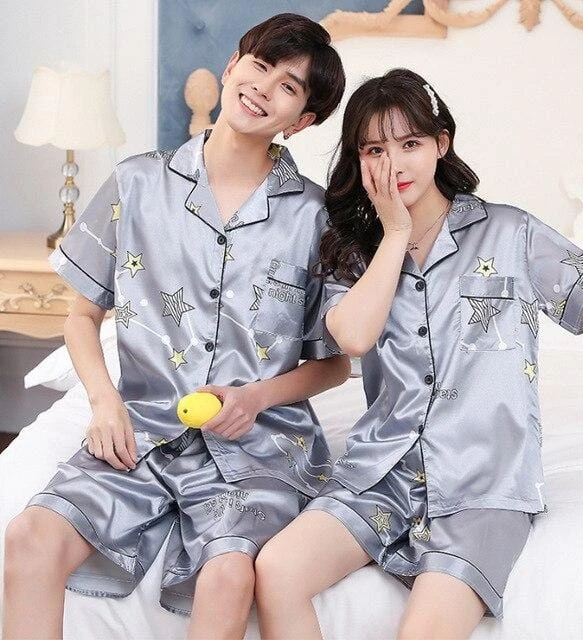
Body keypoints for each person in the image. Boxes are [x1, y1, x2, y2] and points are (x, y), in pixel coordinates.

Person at [255, 68, 583, 639]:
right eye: (375, 150)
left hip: (483, 487)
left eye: (410, 143)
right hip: (380, 474)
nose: (394, 164)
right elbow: (352, 339)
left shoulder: (510, 231)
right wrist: (393, 234)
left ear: (441, 143)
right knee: (276, 570)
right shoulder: (352, 250)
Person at [3, 13, 348, 640]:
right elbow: (81, 316)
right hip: (140, 429)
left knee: (228, 577)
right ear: (232, 65)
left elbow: (335, 364)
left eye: (288, 87)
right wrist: (103, 402)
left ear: (301, 121)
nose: (262, 87)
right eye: (259, 65)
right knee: (28, 536)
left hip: (259, 447)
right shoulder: (136, 182)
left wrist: (255, 398)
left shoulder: (315, 217)